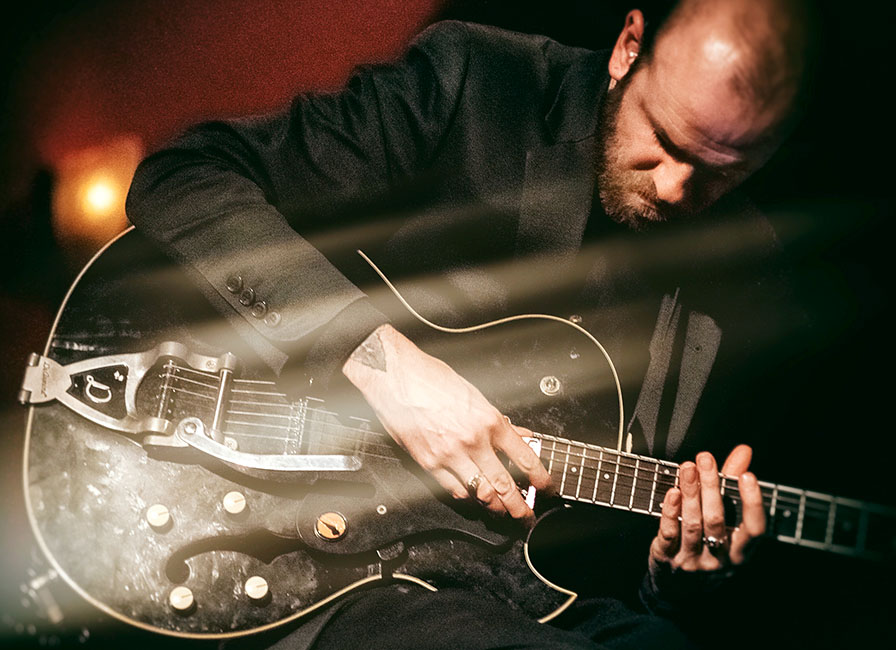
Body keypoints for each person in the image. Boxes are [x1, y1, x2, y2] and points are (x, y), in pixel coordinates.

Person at [126, 0, 809, 646]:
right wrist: (377, 359)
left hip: (538, 605)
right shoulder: (475, 85)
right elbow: (182, 178)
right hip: (327, 568)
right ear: (629, 49)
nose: (674, 189)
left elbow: (618, 564)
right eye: (662, 140)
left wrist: (671, 578)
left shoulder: (749, 277)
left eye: (721, 173)